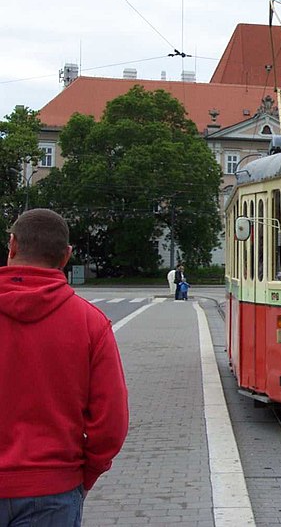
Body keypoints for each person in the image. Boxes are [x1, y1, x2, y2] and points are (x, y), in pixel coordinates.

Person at [0, 209, 129, 526]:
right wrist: (83, 474)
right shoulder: (89, 323)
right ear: (66, 256)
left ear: (12, 245)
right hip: (52, 491)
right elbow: (111, 422)